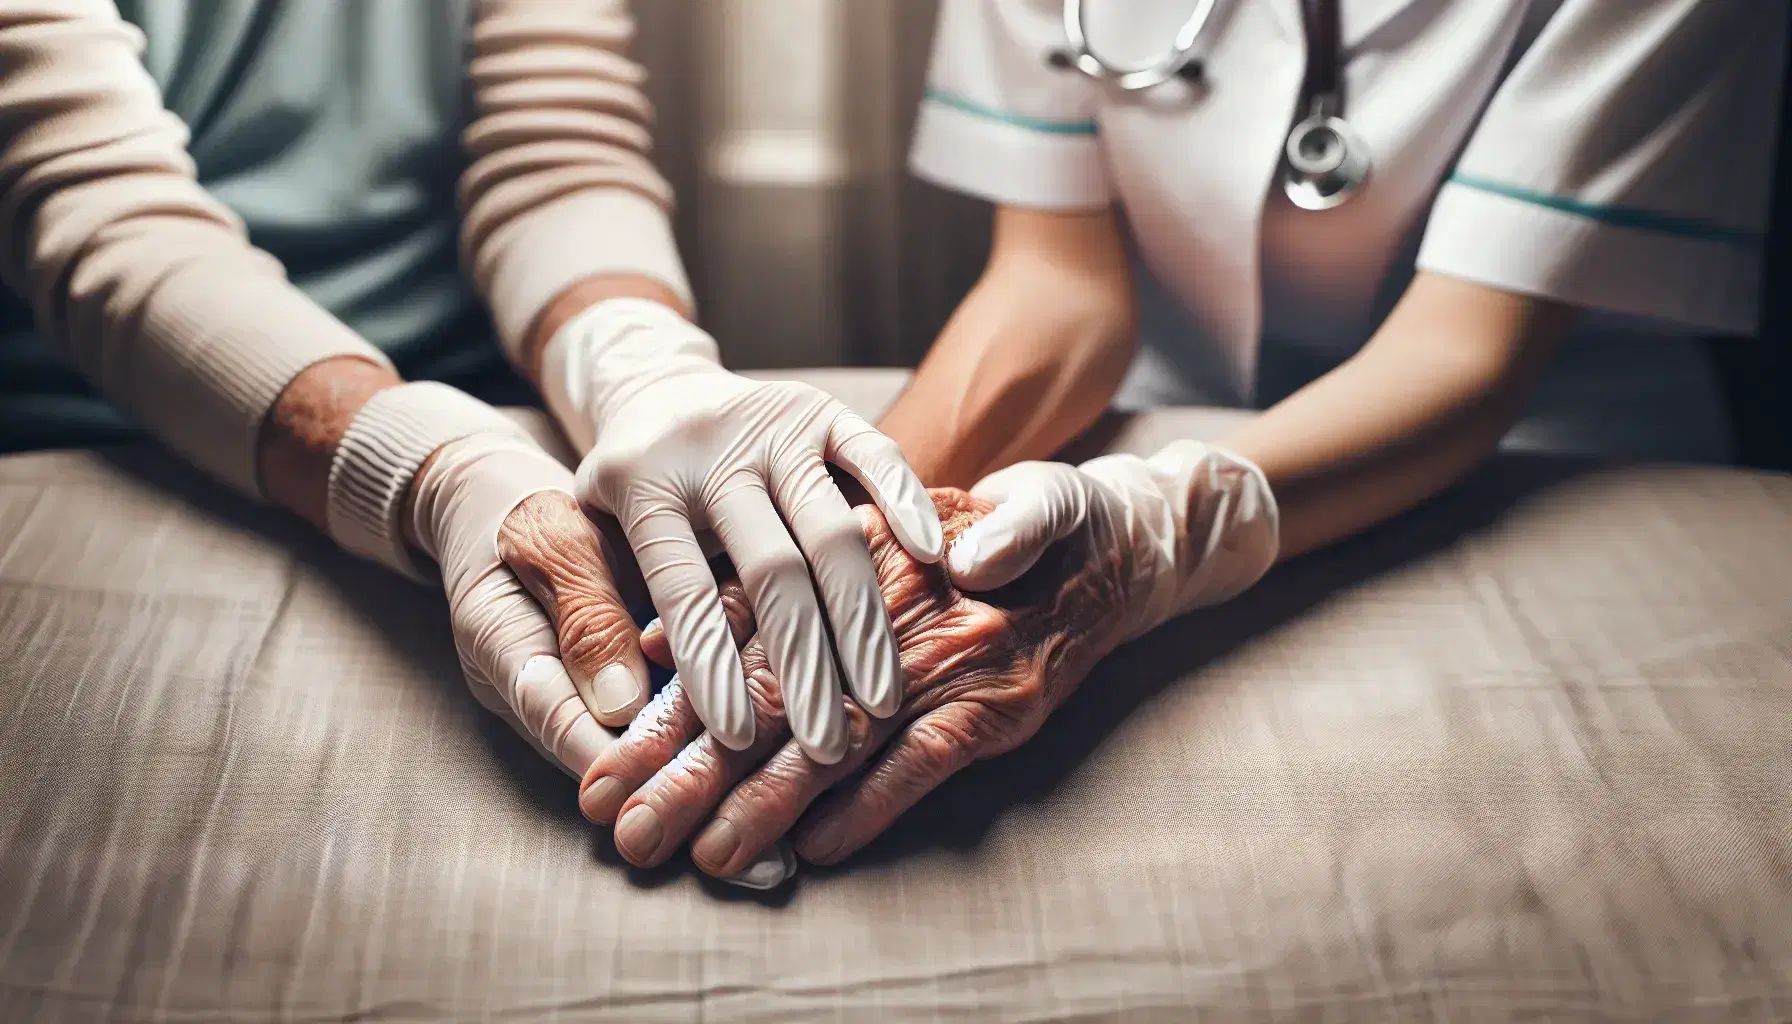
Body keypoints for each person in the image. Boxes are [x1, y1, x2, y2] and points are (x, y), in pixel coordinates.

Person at [578, 0, 1788, 879]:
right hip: (1155, 407)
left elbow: (1468, 351)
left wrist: (1154, 534)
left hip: (1545, 447)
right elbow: (1058, 289)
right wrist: (843, 524)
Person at [0, 0, 945, 889]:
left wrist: (645, 367)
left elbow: (553, 152)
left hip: (494, 387)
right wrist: (434, 470)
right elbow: (94, 202)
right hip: (112, 426)